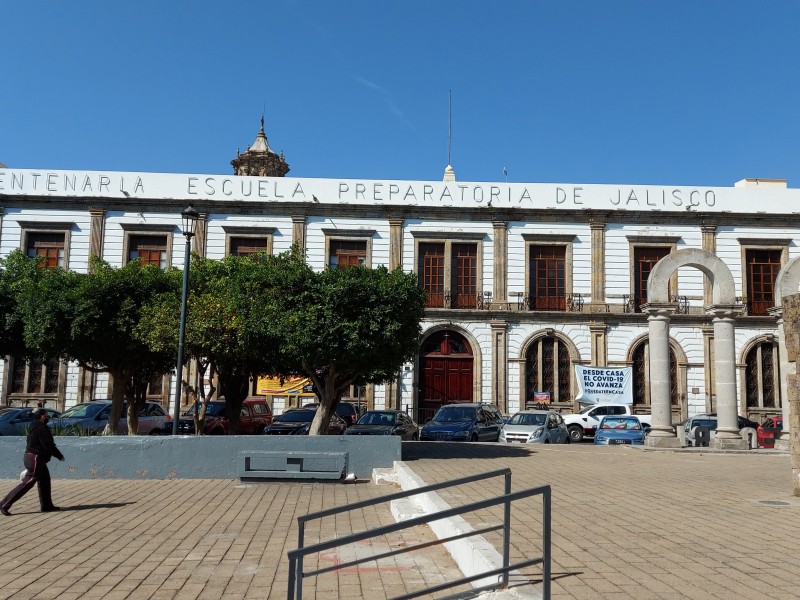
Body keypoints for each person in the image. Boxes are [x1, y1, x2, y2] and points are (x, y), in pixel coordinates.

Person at [1, 408, 65, 516]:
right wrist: (59, 456)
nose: (48, 417)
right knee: (28, 482)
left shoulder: (34, 425)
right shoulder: (41, 428)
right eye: (46, 415)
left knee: (44, 480)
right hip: (36, 458)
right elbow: (48, 445)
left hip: (33, 457)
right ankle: (4, 504)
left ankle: (47, 505)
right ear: (42, 417)